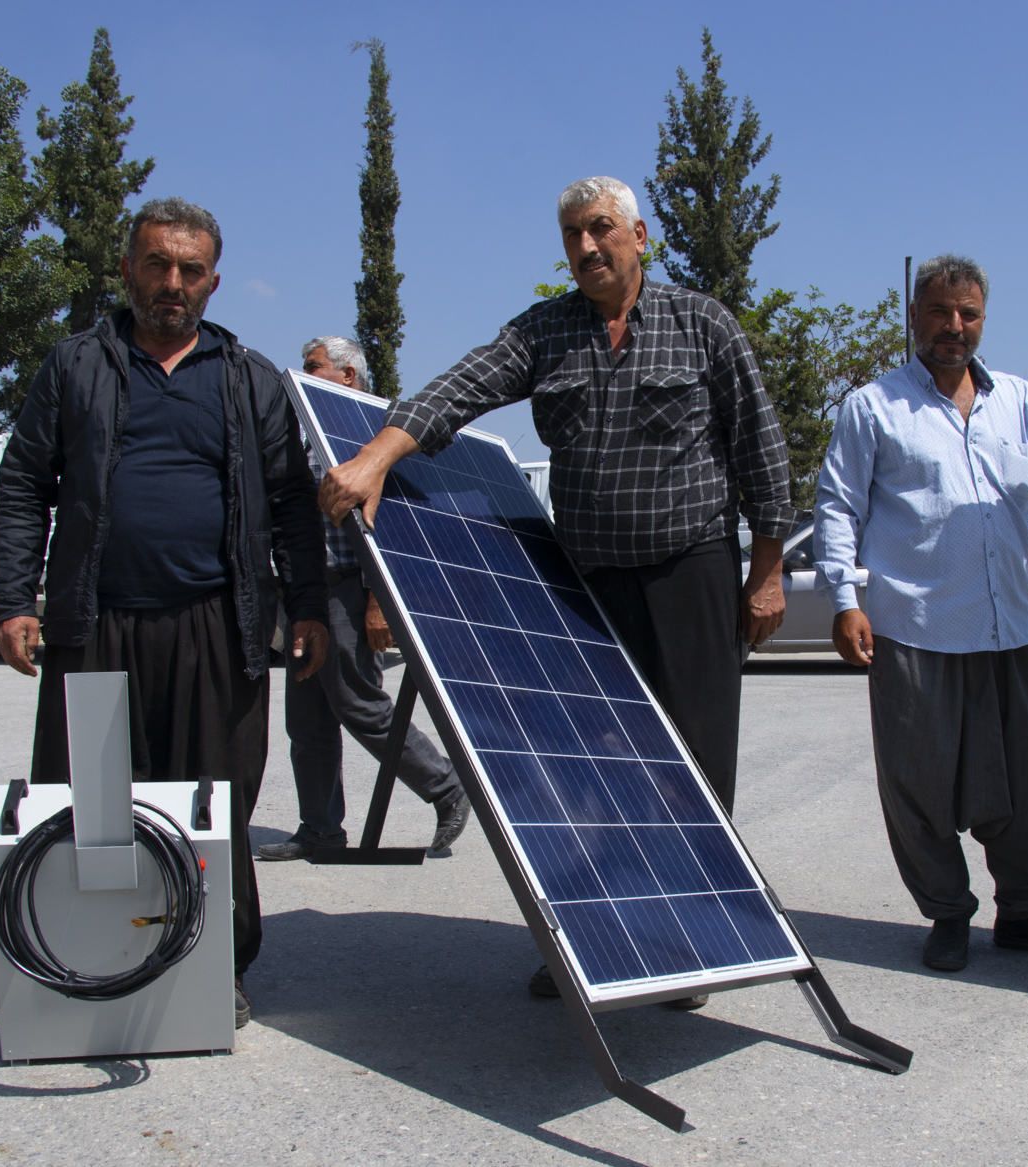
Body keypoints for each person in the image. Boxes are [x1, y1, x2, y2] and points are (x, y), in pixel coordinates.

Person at [318, 176, 797, 1007]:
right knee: (585, 768)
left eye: (601, 229)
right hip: (583, 587)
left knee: (690, 763)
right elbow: (456, 389)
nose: (586, 246)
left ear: (640, 235)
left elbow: (761, 447)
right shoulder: (543, 332)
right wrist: (377, 457)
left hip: (689, 574)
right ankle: (593, 939)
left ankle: (683, 939)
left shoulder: (702, 324)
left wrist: (765, 571)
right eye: (573, 234)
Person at [0, 197, 331, 1029]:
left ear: (213, 280)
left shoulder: (250, 378)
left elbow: (291, 501)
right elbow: (27, 485)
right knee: (95, 806)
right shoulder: (75, 365)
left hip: (218, 627)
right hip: (95, 627)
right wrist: (11, 600)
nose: (171, 283)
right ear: (127, 268)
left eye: (188, 270)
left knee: (215, 805)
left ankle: (216, 964)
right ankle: (92, 958)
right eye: (156, 264)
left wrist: (311, 604)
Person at [813, 253, 1028, 972]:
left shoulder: (1021, 402)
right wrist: (845, 599)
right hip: (916, 630)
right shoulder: (872, 407)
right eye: (938, 311)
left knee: (1027, 788)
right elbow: (837, 506)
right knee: (918, 786)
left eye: (967, 314)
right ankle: (946, 915)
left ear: (983, 320)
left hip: (1013, 631)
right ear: (913, 315)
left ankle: (1023, 911)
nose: (952, 327)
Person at [257, 336, 470, 862]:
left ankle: (447, 787)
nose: (300, 373)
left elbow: (391, 521)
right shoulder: (302, 434)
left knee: (358, 702)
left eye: (313, 366)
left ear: (347, 375)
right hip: (306, 596)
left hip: (348, 587)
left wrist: (378, 600)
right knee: (306, 719)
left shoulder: (371, 433)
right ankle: (320, 829)